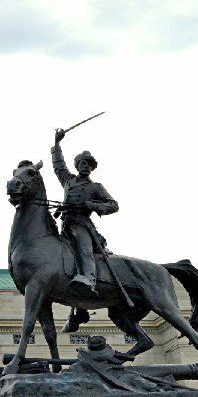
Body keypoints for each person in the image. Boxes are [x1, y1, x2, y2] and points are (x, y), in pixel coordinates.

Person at [52, 128, 118, 331]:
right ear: (77, 165)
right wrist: (56, 145)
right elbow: (58, 166)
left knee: (83, 249)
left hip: (82, 225)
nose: (86, 167)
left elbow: (114, 205)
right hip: (65, 225)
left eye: (89, 164)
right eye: (82, 163)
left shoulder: (96, 187)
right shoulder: (69, 180)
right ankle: (77, 309)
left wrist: (94, 206)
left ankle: (89, 280)